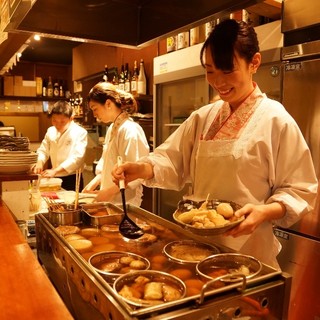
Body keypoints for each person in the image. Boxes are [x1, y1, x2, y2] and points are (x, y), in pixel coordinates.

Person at [112, 19, 318, 269]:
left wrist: (266, 211)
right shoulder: (204, 117)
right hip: (196, 246)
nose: (218, 81)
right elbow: (171, 158)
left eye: (227, 70)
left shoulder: (275, 119)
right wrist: (142, 168)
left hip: (249, 251)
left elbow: (300, 188)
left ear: (254, 63)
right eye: (210, 71)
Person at [82, 82, 149, 206]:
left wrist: (108, 192)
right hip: (111, 201)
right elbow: (107, 162)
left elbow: (135, 174)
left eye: (95, 109)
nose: (94, 114)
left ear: (108, 103)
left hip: (126, 202)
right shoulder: (113, 128)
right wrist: (95, 182)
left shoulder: (130, 129)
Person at [33, 100, 88, 190]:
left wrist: (56, 170)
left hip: (72, 177)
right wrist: (40, 162)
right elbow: (43, 149)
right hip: (54, 176)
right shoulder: (51, 131)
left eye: (62, 122)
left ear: (71, 118)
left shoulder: (80, 132)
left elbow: (77, 158)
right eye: (54, 120)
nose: (58, 125)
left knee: (71, 202)